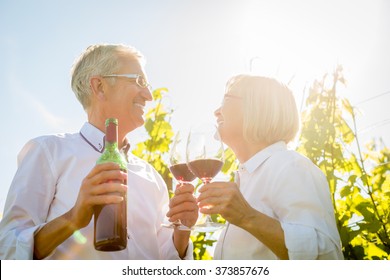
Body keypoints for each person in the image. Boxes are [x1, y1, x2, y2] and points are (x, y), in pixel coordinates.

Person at [0, 43, 198, 260]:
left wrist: (182, 231)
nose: (149, 95)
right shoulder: (48, 153)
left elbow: (166, 262)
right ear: (100, 86)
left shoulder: (152, 177)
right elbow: (8, 250)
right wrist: (73, 218)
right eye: (139, 81)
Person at [197, 74, 343, 260]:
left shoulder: (290, 166)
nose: (217, 112)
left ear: (257, 108)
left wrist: (247, 217)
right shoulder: (247, 177)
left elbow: (325, 257)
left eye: (226, 100)